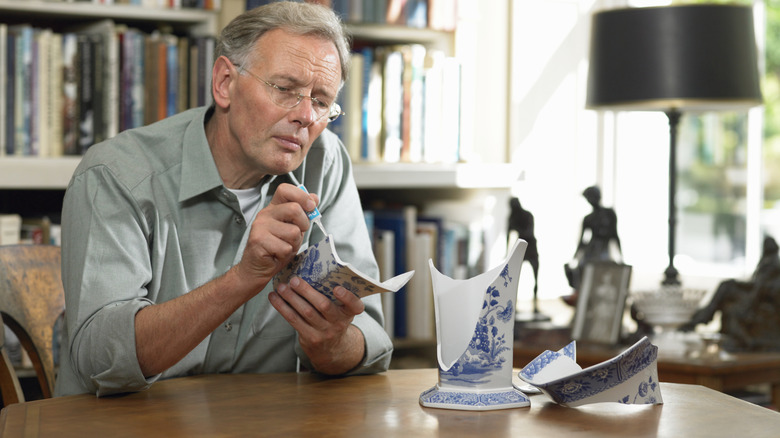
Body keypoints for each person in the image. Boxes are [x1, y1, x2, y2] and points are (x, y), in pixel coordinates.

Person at [54, 2, 392, 397]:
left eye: (320, 101)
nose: (305, 115)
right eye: (285, 89)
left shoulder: (325, 162)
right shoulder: (117, 174)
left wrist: (332, 344)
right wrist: (242, 279)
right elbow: (100, 361)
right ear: (225, 83)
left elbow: (372, 340)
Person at [563, 186, 622, 305]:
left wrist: (620, 256)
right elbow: (582, 241)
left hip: (603, 249)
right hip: (592, 249)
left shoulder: (609, 213)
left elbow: (614, 235)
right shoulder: (588, 219)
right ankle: (581, 295)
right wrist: (575, 258)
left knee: (601, 269)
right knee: (582, 268)